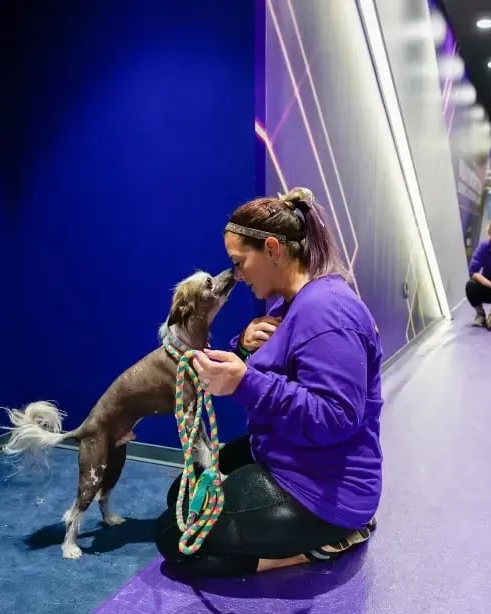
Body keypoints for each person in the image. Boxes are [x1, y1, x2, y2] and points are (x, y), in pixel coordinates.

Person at [154, 187, 382, 576]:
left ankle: (318, 545)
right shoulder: (287, 302)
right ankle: (290, 536)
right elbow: (275, 368)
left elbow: (336, 416)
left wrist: (244, 384)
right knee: (182, 493)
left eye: (240, 262)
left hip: (324, 488)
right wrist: (242, 346)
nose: (237, 275)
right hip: (283, 451)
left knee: (174, 537)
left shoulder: (329, 313)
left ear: (273, 249)